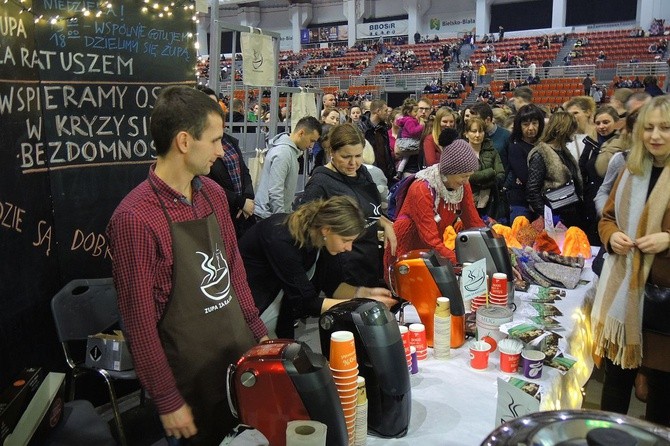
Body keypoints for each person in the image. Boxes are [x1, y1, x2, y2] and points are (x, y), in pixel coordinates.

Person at [107, 86, 269, 445]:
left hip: (236, 353)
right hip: (189, 378)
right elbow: (138, 323)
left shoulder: (211, 193)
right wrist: (166, 398)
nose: (219, 151)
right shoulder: (135, 219)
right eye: (213, 140)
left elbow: (233, 268)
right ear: (184, 141)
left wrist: (259, 332)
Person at [591, 96, 670, 426]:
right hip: (624, 298)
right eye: (649, 128)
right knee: (615, 388)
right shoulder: (631, 170)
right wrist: (611, 237)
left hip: (663, 308)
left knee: (663, 397)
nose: (655, 136)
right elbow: (607, 217)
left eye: (665, 128)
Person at [239, 196, 396, 338]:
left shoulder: (323, 241)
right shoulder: (281, 240)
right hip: (251, 312)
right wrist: (363, 304)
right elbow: (306, 303)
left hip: (279, 311)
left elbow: (333, 286)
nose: (348, 248)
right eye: (345, 240)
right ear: (326, 230)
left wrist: (366, 293)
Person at [300, 123, 397, 291]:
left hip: (368, 260)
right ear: (332, 153)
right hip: (343, 270)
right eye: (346, 157)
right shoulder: (320, 183)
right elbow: (305, 230)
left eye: (358, 156)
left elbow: (368, 209)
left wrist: (385, 223)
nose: (353, 163)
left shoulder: (362, 173)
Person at [386, 135, 485, 268]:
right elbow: (430, 239)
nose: (466, 181)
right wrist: (460, 263)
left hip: (434, 250)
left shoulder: (462, 186)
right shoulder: (421, 189)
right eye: (463, 176)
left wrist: (490, 247)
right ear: (449, 171)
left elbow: (473, 222)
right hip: (405, 249)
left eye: (469, 176)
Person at [195, 86, 257, 240]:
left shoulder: (229, 141)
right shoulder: (196, 148)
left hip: (241, 214)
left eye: (215, 106)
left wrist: (247, 198)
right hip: (218, 214)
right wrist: (239, 201)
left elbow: (243, 171)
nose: (219, 152)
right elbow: (204, 183)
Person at [254, 116, 322, 219]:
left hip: (270, 214)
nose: (311, 146)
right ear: (301, 133)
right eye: (311, 140)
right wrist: (281, 219)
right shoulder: (284, 154)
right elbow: (275, 191)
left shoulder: (289, 152)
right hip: (267, 216)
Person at [526, 111, 584, 228]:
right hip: (555, 215)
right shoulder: (540, 154)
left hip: (570, 212)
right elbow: (532, 190)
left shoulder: (563, 152)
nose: (574, 132)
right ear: (562, 129)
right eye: (571, 128)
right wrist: (548, 217)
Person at [579, 106, 620, 245]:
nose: (602, 126)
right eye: (598, 123)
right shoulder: (591, 142)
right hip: (590, 201)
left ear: (617, 122)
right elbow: (582, 167)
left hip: (611, 203)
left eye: (606, 122)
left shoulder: (623, 144)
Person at [504, 104, 545, 221]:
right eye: (526, 124)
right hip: (521, 203)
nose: (531, 128)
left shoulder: (544, 144)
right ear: (519, 126)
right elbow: (525, 177)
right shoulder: (515, 146)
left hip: (542, 200)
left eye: (535, 123)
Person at [463, 117, 505, 221]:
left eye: (480, 131)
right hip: (467, 201)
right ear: (466, 133)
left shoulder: (492, 151)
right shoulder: (461, 152)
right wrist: (491, 172)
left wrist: (483, 182)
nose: (477, 135)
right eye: (473, 131)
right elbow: (467, 177)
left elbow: (501, 175)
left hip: (490, 201)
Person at [358, 100, 396, 183]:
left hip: (384, 171)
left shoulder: (384, 128)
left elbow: (387, 150)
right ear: (378, 111)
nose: (388, 113)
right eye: (385, 110)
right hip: (367, 171)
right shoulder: (361, 127)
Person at [395, 98, 425, 179]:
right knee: (405, 158)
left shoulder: (411, 120)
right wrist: (421, 126)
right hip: (408, 142)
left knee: (405, 159)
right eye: (415, 111)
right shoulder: (409, 121)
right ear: (409, 112)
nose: (417, 113)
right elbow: (413, 132)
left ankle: (399, 172)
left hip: (408, 141)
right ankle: (399, 172)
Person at [565, 96, 597, 163]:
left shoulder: (599, 134)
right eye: (569, 114)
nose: (572, 117)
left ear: (588, 112)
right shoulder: (567, 139)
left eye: (575, 113)